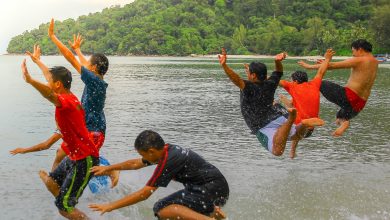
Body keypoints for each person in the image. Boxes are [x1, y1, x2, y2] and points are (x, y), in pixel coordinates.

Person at [9, 31, 118, 186]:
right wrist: (77, 49)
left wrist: (53, 37)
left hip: (93, 129)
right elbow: (54, 77)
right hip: (86, 125)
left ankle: (108, 170)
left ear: (93, 68)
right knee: (63, 155)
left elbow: (69, 58)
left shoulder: (94, 82)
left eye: (87, 63)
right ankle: (58, 182)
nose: (83, 63)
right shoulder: (95, 81)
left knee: (84, 159)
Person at [20, 59, 99, 219]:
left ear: (57, 85)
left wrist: (31, 81)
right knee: (52, 182)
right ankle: (70, 204)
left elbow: (49, 94)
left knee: (63, 207)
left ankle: (70, 206)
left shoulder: (66, 102)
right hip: (77, 156)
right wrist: (37, 62)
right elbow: (50, 81)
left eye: (49, 81)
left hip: (85, 159)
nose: (46, 82)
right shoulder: (70, 97)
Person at [89, 130, 229, 220]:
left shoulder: (169, 160)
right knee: (179, 209)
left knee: (161, 208)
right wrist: (108, 167)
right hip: (211, 188)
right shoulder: (166, 151)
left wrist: (110, 206)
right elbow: (135, 164)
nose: (143, 158)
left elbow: (144, 194)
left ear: (151, 151)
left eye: (143, 154)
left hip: (211, 189)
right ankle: (213, 214)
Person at [219, 48, 323, 156]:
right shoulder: (271, 82)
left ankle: (292, 119)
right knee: (297, 135)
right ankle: (303, 124)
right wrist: (277, 61)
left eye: (249, 73)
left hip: (262, 125)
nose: (247, 74)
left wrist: (224, 66)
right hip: (279, 116)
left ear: (253, 75)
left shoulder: (248, 87)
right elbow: (279, 72)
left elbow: (236, 79)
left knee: (277, 151)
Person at [298, 39, 378, 136]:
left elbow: (333, 65)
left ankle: (303, 109)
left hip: (349, 97)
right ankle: (344, 123)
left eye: (353, 51)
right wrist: (324, 63)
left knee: (319, 83)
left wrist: (309, 66)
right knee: (340, 118)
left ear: (360, 49)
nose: (353, 54)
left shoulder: (360, 60)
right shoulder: (375, 62)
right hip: (359, 105)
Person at [278, 49, 334, 158]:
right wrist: (327, 58)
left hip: (296, 129)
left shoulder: (292, 86)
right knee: (293, 108)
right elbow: (321, 71)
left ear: (295, 81)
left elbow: (273, 80)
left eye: (291, 80)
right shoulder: (314, 84)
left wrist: (255, 77)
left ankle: (301, 126)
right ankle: (293, 151)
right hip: (308, 131)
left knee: (275, 106)